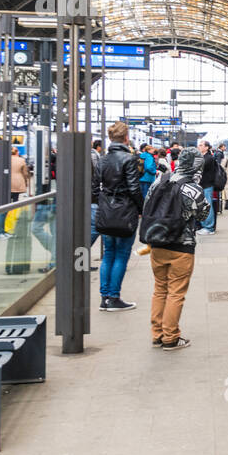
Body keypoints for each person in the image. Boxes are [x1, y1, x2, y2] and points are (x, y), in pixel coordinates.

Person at [144, 148, 210, 350]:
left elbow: (147, 204)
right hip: (182, 246)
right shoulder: (192, 188)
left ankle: (157, 335)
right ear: (197, 166)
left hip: (157, 243)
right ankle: (171, 337)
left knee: (160, 289)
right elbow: (202, 215)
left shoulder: (159, 180)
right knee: (176, 293)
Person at [92, 121, 143, 311]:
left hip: (106, 213)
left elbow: (94, 189)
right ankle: (114, 297)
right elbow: (133, 188)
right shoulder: (129, 159)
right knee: (121, 255)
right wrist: (141, 208)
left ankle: (104, 298)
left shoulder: (102, 159)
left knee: (108, 255)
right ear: (126, 138)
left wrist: (105, 204)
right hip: (125, 213)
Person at [196, 139, 219, 235]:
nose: (199, 147)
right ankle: (205, 225)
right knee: (203, 206)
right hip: (203, 186)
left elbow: (198, 168)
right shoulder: (204, 157)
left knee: (207, 207)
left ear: (206, 147)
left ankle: (209, 227)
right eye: (199, 145)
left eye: (201, 145)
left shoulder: (208, 158)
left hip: (206, 186)